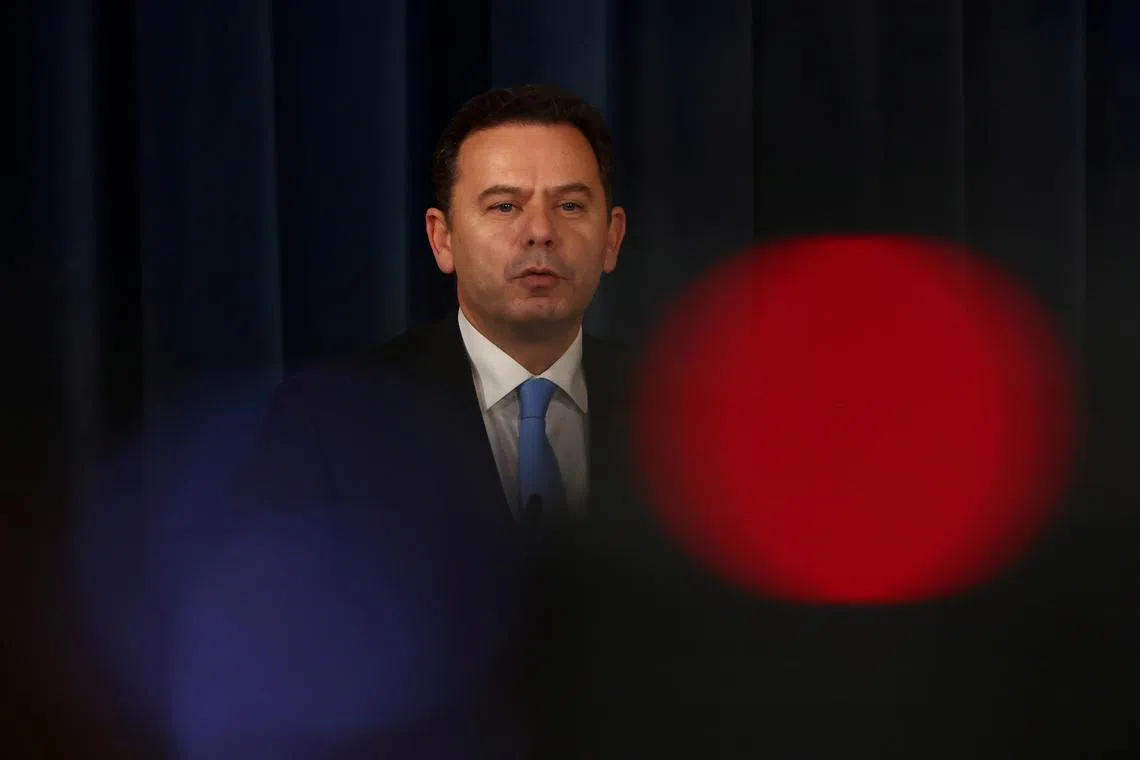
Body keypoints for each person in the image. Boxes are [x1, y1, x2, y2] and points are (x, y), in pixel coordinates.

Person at [232, 84, 641, 757]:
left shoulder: (689, 417)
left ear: (611, 238)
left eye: (571, 205)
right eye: (504, 205)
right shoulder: (328, 425)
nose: (540, 231)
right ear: (442, 238)